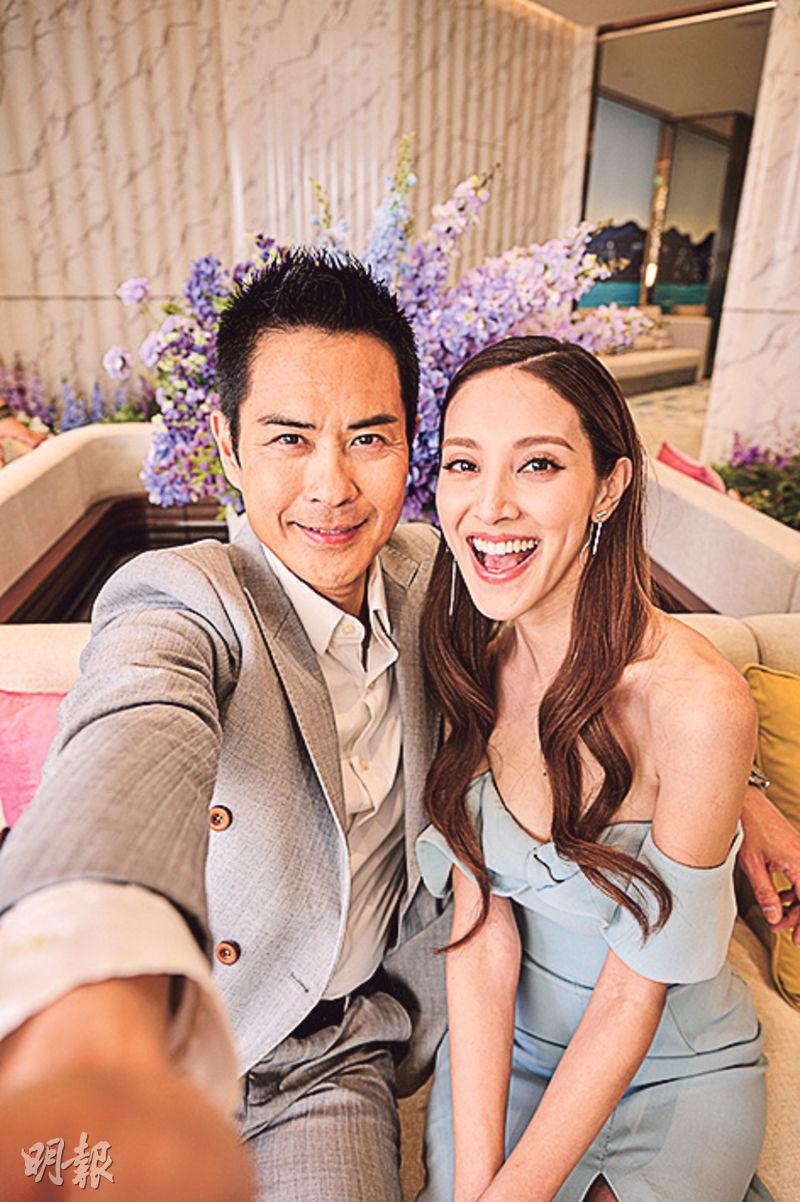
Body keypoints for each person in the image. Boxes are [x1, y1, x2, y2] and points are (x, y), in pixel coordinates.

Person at [0, 259, 796, 1202]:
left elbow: (641, 675)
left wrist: (733, 791)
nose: (331, 486)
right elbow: (129, 741)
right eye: (288, 438)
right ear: (226, 446)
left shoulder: (446, 588)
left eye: (369, 439)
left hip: (332, 1059)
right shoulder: (181, 602)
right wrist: (83, 971)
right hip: (183, 1037)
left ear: (408, 447)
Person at [416, 336, 772, 1202]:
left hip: (668, 1063)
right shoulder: (465, 655)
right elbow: (482, 938)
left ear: (610, 485)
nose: (489, 506)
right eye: (464, 463)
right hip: (510, 1053)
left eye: (537, 464)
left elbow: (629, 997)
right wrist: (476, 1190)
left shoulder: (699, 706)